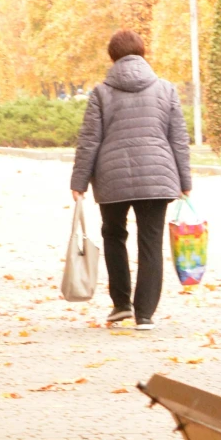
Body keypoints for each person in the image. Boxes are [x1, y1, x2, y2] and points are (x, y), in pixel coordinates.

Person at [70, 28, 192, 331]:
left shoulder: (101, 92)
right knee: (150, 241)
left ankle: (121, 305)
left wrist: (79, 182)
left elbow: (89, 140)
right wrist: (185, 180)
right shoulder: (166, 89)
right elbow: (178, 138)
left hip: (113, 178)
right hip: (158, 176)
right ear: (143, 53)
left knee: (114, 234)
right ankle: (146, 314)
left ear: (112, 57)